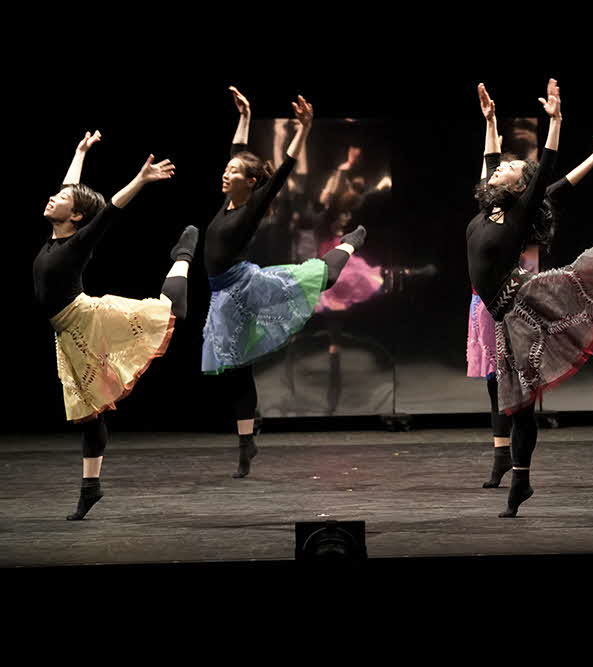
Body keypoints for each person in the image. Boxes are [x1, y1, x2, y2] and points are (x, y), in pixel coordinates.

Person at [468, 79, 593, 517]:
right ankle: (522, 480)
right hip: (504, 314)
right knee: (519, 406)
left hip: (524, 298)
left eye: (509, 169)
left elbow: (550, 171)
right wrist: (490, 122)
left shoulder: (520, 212)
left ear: (521, 186)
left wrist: (555, 121)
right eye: (499, 167)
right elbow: (489, 159)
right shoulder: (486, 209)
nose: (499, 169)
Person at [202, 86, 366, 478]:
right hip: (222, 296)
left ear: (250, 182)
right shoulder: (227, 202)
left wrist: (304, 129)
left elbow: (283, 172)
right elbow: (237, 152)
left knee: (321, 276)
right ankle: (247, 443)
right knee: (237, 370)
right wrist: (244, 116)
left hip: (244, 287)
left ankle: (350, 242)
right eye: (227, 169)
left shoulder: (250, 208)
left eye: (234, 172)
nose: (226, 173)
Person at [35, 130, 195, 520]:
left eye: (62, 199)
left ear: (76, 216)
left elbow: (110, 210)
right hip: (67, 335)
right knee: (90, 413)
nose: (53, 197)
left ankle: (183, 255)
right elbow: (70, 187)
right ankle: (91, 488)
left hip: (88, 320)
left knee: (169, 312)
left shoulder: (76, 244)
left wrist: (140, 179)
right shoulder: (55, 237)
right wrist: (80, 151)